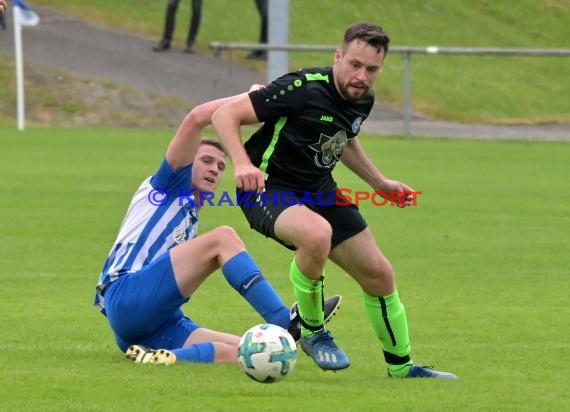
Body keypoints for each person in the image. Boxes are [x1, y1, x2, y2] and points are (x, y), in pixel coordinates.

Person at [211, 22, 457, 378]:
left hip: (320, 190)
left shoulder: (363, 99)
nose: (361, 76)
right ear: (338, 56)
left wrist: (379, 183)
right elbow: (225, 115)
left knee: (379, 276)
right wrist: (243, 164)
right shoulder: (302, 88)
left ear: (381, 68)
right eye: (354, 65)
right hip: (268, 188)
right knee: (316, 234)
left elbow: (343, 140)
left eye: (371, 69)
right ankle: (312, 332)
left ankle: (402, 369)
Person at [94, 85, 341, 365]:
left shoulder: (189, 216)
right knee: (223, 238)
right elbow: (196, 117)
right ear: (188, 162)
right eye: (207, 161)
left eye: (221, 167)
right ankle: (287, 321)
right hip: (128, 296)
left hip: (150, 324)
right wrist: (250, 100)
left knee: (253, 349)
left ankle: (158, 358)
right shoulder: (168, 185)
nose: (214, 169)